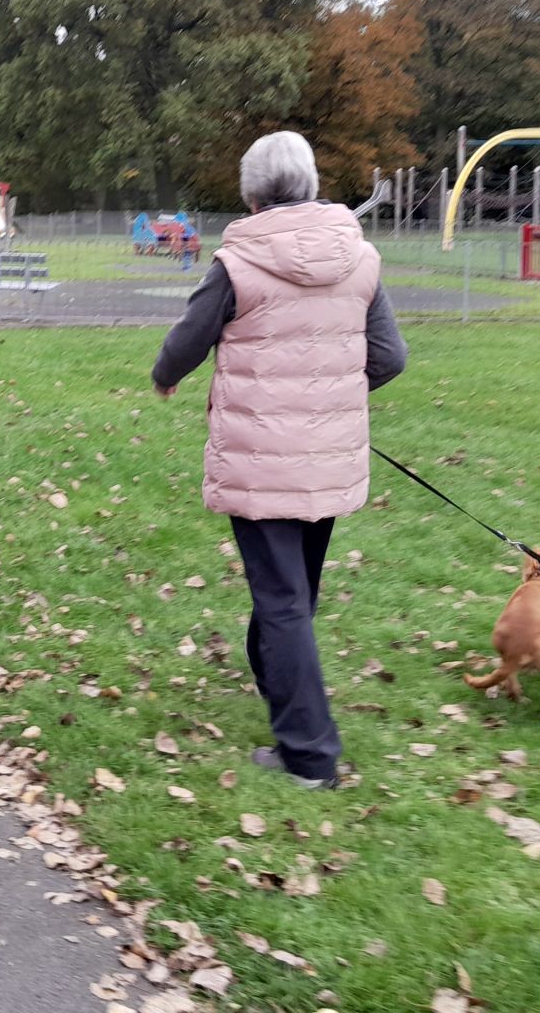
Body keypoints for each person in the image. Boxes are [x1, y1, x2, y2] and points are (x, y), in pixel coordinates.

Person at [151, 131, 407, 791]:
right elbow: (389, 357)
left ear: (253, 190)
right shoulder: (361, 259)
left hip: (263, 459)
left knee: (284, 601)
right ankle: (282, 694)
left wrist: (164, 375)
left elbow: (189, 337)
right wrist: (335, 395)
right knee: (293, 595)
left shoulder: (238, 263)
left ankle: (310, 753)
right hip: (324, 456)